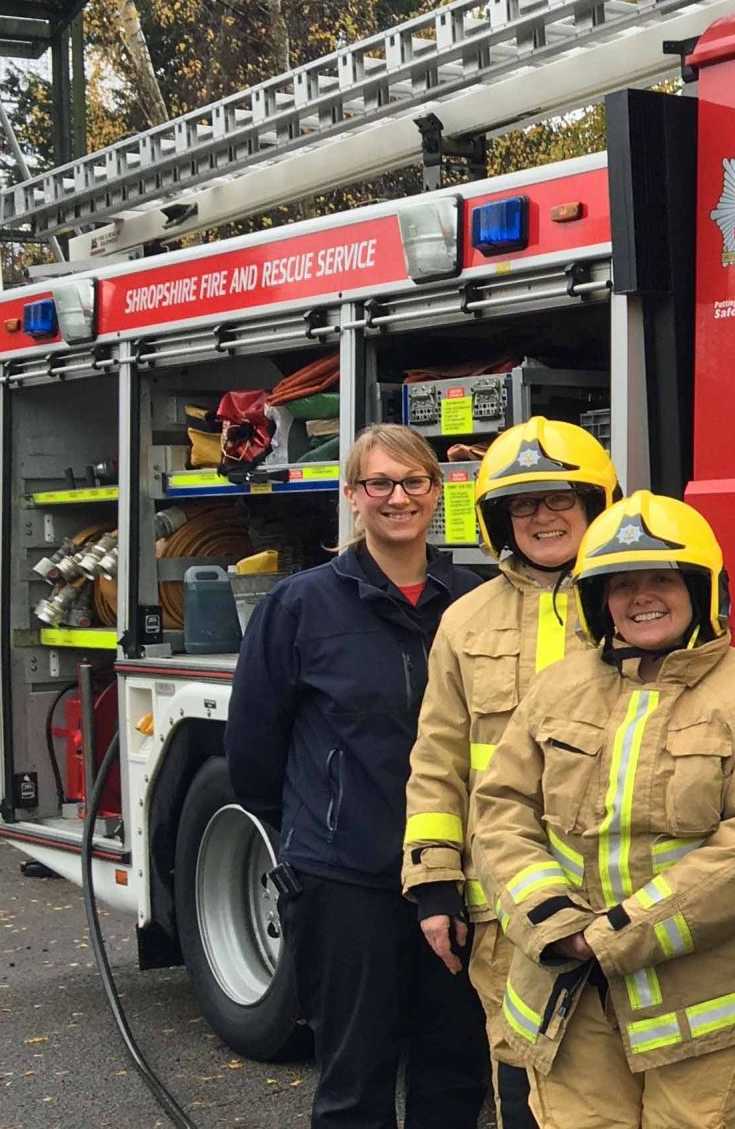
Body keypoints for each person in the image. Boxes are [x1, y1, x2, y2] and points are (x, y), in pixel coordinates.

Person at [472, 492, 735, 1129]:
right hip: (571, 1000)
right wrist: (553, 922)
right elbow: (499, 812)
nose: (641, 597)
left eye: (662, 578)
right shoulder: (558, 687)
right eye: (621, 583)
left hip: (703, 1013)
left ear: (703, 589)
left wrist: (613, 935)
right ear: (599, 600)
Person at [229, 422, 489, 1129]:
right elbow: (253, 753)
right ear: (352, 496)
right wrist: (325, 831)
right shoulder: (300, 606)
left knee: (455, 1075)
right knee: (354, 1083)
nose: (396, 497)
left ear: (438, 494)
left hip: (460, 877)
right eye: (379, 483)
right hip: (348, 883)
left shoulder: (473, 605)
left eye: (413, 482)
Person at [402, 418, 617, 1128]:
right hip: (507, 908)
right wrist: (434, 884)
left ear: (596, 504)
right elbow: (437, 758)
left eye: (559, 499)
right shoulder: (464, 623)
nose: (542, 518)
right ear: (498, 520)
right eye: (523, 505)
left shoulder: (638, 604)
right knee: (523, 1075)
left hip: (621, 899)